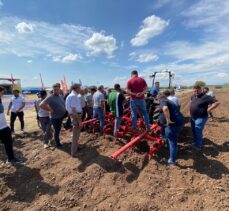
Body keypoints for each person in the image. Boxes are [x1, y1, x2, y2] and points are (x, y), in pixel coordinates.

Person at [190, 86, 220, 150]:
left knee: (198, 131)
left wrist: (209, 109)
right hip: (193, 117)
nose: (196, 92)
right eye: (195, 91)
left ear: (201, 90)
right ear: (193, 91)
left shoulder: (206, 97)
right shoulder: (193, 96)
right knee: (193, 131)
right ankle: (195, 142)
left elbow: (217, 103)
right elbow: (191, 102)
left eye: (198, 90)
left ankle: (198, 145)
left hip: (201, 117)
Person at [158, 91, 184, 165]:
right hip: (178, 122)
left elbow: (165, 109)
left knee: (172, 141)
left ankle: (172, 161)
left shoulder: (163, 100)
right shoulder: (168, 100)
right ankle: (173, 149)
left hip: (172, 125)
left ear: (159, 98)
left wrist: (168, 120)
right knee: (172, 139)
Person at [40, 83, 66, 148]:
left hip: (62, 115)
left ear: (59, 89)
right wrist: (49, 110)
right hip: (55, 117)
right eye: (55, 90)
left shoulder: (60, 96)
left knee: (72, 113)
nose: (56, 91)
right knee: (57, 131)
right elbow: (41, 105)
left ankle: (67, 125)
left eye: (57, 89)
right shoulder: (50, 97)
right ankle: (58, 144)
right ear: (53, 90)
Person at [0, 86, 22, 164]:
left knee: (8, 143)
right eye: (2, 91)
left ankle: (11, 159)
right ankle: (11, 158)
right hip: (2, 128)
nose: (3, 93)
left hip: (3, 127)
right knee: (8, 143)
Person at [65, 84, 83, 157]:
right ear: (76, 88)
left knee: (77, 133)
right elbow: (74, 110)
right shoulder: (73, 96)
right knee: (75, 135)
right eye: (80, 88)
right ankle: (74, 152)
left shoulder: (73, 95)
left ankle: (76, 146)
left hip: (75, 115)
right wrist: (79, 121)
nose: (80, 89)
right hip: (76, 116)